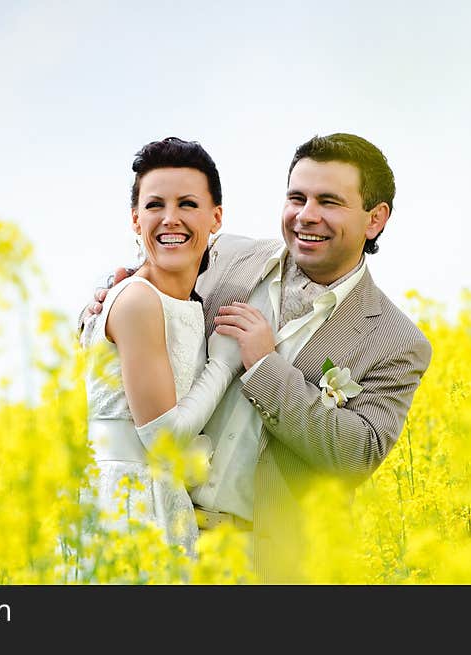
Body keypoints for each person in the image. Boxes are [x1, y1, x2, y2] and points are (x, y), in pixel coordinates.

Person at [82, 133, 432, 582]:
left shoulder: (395, 341)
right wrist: (97, 307)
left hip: (262, 561)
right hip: (161, 528)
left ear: (375, 219)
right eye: (296, 197)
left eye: (329, 201)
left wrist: (266, 368)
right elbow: (142, 295)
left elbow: (358, 453)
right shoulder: (223, 256)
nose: (307, 215)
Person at [80, 137, 242, 558]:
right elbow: (164, 439)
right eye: (155, 206)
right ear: (135, 219)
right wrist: (224, 364)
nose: (170, 219)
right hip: (129, 504)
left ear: (216, 217)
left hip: (159, 497)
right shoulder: (137, 299)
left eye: (187, 204)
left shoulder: (183, 302)